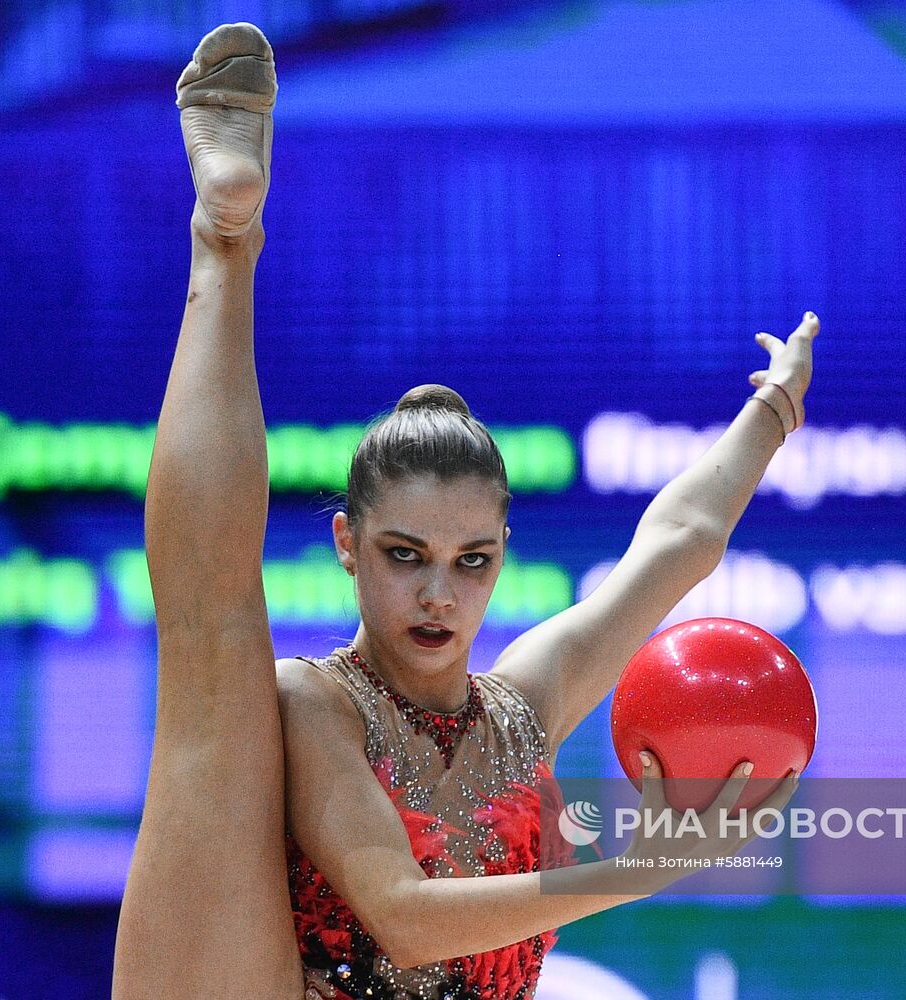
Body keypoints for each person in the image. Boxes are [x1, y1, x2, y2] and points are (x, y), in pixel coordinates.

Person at [113, 21, 815, 1000]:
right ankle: (225, 240)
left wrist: (771, 412)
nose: (439, 594)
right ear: (347, 547)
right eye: (406, 555)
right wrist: (642, 868)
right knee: (213, 657)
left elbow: (679, 542)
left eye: (471, 560)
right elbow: (398, 914)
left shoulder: (524, 707)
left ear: (500, 556)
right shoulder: (317, 707)